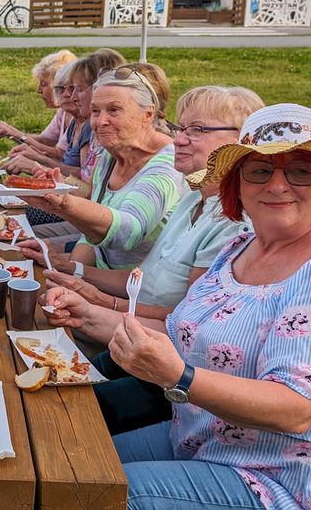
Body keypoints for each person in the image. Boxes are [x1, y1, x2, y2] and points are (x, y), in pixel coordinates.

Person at [92, 103, 311, 510]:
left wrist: (178, 376)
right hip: (206, 441)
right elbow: (197, 334)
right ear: (237, 184)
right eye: (259, 170)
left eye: (301, 170)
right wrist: (91, 313)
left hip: (292, 484)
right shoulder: (240, 247)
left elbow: (297, 410)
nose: (277, 185)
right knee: (78, 460)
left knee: (99, 492)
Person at [40, 85, 263, 435]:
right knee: (52, 382)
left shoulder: (234, 224)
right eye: (180, 128)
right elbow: (143, 278)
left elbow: (186, 324)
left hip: (172, 373)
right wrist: (78, 272)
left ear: (244, 141)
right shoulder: (194, 198)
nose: (180, 140)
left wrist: (100, 301)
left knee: (64, 415)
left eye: (198, 131)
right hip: (133, 340)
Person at [20, 64, 186, 270]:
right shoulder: (111, 154)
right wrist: (69, 274)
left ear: (148, 114)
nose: (100, 122)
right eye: (96, 111)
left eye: (114, 110)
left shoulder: (167, 165)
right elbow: (91, 237)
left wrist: (65, 204)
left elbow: (129, 232)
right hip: (98, 276)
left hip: (131, 293)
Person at [0, 50, 78, 173]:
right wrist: (9, 133)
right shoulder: (63, 112)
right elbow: (45, 140)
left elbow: (60, 154)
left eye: (44, 84)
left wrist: (17, 135)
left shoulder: (81, 119)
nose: (39, 90)